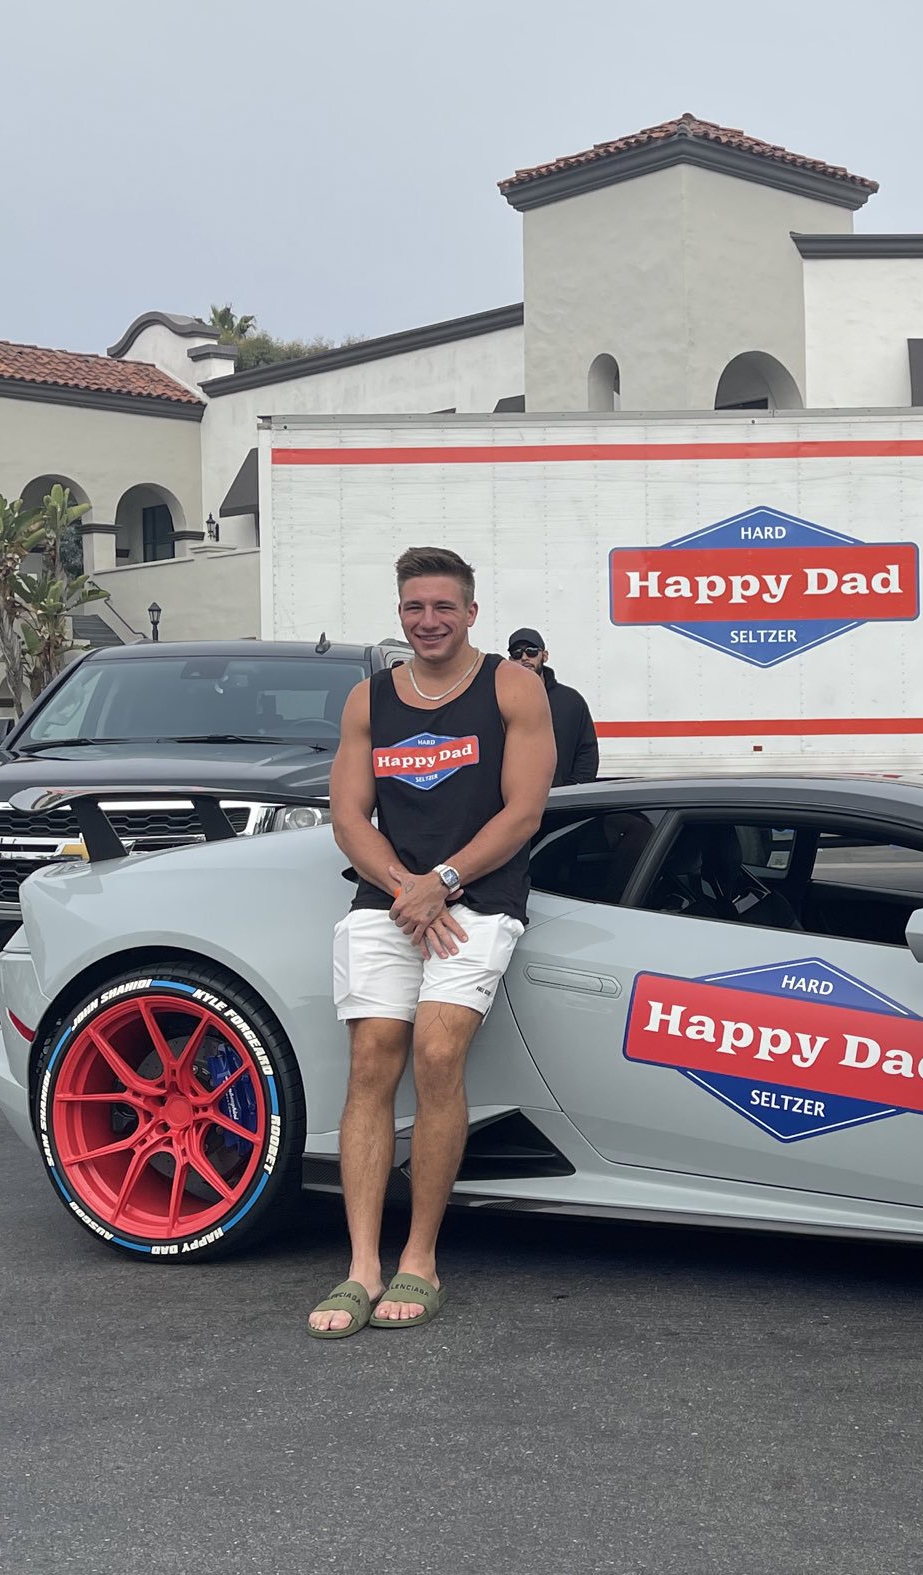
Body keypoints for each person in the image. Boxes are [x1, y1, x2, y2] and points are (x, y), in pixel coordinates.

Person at [307, 547, 554, 1338]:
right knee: (371, 1059)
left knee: (438, 1054)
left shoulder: (511, 686)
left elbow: (524, 811)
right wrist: (404, 886)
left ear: (471, 612)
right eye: (415, 607)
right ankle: (361, 1266)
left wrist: (441, 880)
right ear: (400, 613)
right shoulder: (370, 699)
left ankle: (421, 1258)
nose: (429, 620)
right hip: (390, 899)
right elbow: (349, 816)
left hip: (477, 900)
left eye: (444, 606)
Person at [508, 626, 600, 785]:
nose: (524, 657)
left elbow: (587, 752)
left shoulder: (571, 701)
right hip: (516, 798)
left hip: (563, 796)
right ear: (510, 660)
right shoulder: (501, 701)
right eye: (517, 653)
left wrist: (571, 791)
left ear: (544, 656)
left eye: (531, 651)